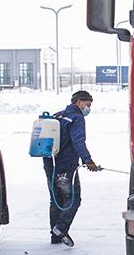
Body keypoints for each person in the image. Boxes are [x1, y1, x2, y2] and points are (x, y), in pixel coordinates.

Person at [43, 90, 101, 246]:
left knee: (55, 200)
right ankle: (60, 229)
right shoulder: (77, 118)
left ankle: (55, 237)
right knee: (73, 199)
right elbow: (78, 141)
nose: (88, 108)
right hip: (66, 166)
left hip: (50, 164)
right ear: (79, 102)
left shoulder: (58, 115)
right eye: (88, 105)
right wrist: (88, 160)